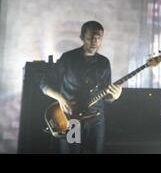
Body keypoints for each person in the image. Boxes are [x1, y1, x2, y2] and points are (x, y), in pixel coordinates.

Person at [40, 21, 122, 154]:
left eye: (98, 38)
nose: (94, 42)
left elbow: (107, 96)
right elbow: (44, 84)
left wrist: (115, 96)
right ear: (82, 37)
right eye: (90, 38)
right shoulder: (68, 58)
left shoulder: (104, 63)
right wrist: (60, 99)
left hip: (96, 119)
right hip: (71, 117)